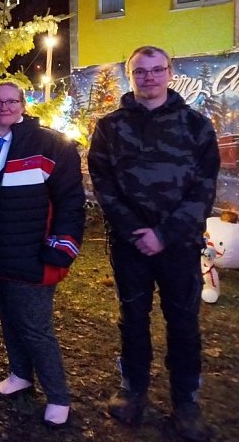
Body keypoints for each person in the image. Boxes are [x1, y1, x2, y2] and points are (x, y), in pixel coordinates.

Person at [88, 46, 220, 442]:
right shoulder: (110, 127)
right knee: (133, 320)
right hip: (131, 246)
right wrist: (136, 231)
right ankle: (133, 390)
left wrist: (164, 234)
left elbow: (204, 189)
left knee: (183, 324)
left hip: (179, 246)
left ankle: (186, 403)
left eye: (156, 70)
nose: (148, 78)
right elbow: (103, 185)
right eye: (140, 72)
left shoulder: (196, 125)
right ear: (130, 76)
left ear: (169, 72)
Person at [0, 81, 84, 428]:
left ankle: (58, 395)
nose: (4, 107)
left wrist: (63, 244)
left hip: (30, 251)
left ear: (23, 104)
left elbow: (71, 200)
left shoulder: (50, 144)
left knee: (34, 325)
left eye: (11, 101)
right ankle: (20, 374)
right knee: (9, 316)